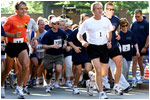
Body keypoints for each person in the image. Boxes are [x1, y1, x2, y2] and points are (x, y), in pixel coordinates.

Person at [77, 2, 113, 99]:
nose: (100, 10)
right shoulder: (88, 22)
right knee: (97, 69)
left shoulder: (106, 21)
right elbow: (79, 34)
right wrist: (82, 41)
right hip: (92, 47)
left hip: (103, 47)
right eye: (97, 8)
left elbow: (109, 31)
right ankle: (101, 93)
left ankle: (91, 78)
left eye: (101, 8)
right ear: (93, 11)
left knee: (104, 73)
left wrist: (109, 41)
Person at [2, 1, 30, 99]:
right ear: (16, 10)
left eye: (25, 9)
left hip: (22, 44)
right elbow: (3, 32)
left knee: (26, 65)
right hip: (11, 45)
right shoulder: (10, 20)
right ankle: (1, 86)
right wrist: (13, 35)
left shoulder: (28, 18)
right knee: (7, 69)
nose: (24, 11)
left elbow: (25, 28)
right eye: (21, 9)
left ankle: (19, 87)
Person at [67, 13, 92, 95]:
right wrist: (74, 47)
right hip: (78, 52)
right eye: (85, 20)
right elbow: (69, 40)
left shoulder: (90, 31)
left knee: (88, 69)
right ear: (81, 21)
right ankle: (75, 86)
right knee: (78, 71)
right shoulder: (77, 30)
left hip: (87, 53)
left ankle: (85, 79)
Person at [41, 17, 68, 92]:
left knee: (59, 68)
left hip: (59, 54)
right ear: (52, 25)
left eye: (58, 24)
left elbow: (66, 39)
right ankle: (48, 84)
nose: (56, 25)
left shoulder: (61, 32)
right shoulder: (48, 34)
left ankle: (56, 81)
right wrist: (51, 46)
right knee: (49, 71)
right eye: (55, 24)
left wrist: (65, 44)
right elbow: (43, 45)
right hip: (49, 54)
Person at [102, 2, 124, 95]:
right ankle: (91, 80)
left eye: (113, 9)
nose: (111, 11)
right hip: (102, 46)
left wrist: (117, 35)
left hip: (113, 45)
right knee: (103, 71)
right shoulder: (101, 19)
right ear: (105, 10)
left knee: (119, 61)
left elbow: (115, 31)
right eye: (109, 9)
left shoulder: (116, 19)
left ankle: (116, 85)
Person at [131, 9, 149, 87]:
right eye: (136, 17)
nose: (137, 18)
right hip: (135, 45)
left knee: (140, 62)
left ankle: (142, 77)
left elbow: (148, 36)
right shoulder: (133, 24)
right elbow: (131, 35)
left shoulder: (146, 24)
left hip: (142, 46)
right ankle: (134, 79)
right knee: (134, 61)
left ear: (141, 15)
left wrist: (145, 46)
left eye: (138, 16)